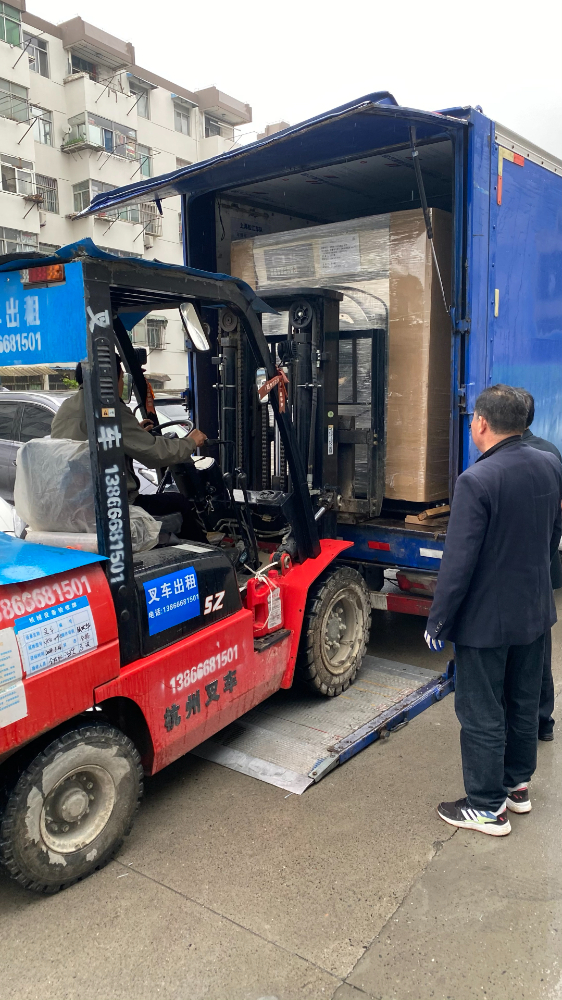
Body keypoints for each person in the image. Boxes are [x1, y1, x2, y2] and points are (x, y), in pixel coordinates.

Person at [424, 384, 562, 836]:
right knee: (522, 701)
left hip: (486, 621)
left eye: (471, 421)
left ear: (481, 423)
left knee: (482, 710)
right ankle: (517, 787)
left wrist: (438, 621)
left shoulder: (477, 480)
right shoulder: (548, 463)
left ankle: (486, 806)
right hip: (534, 611)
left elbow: (458, 562)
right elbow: (552, 535)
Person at [51, 358, 208, 542]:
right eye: (121, 378)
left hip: (77, 506)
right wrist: (190, 442)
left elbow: (95, 443)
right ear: (111, 378)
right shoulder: (108, 408)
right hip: (113, 506)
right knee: (179, 503)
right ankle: (208, 556)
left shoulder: (67, 407)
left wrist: (136, 433)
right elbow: (156, 453)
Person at [518, 388, 562, 741]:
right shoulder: (550, 452)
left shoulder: (500, 459)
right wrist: (545, 560)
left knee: (521, 653)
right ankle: (543, 721)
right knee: (539, 646)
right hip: (541, 567)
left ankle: (525, 723)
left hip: (516, 572)